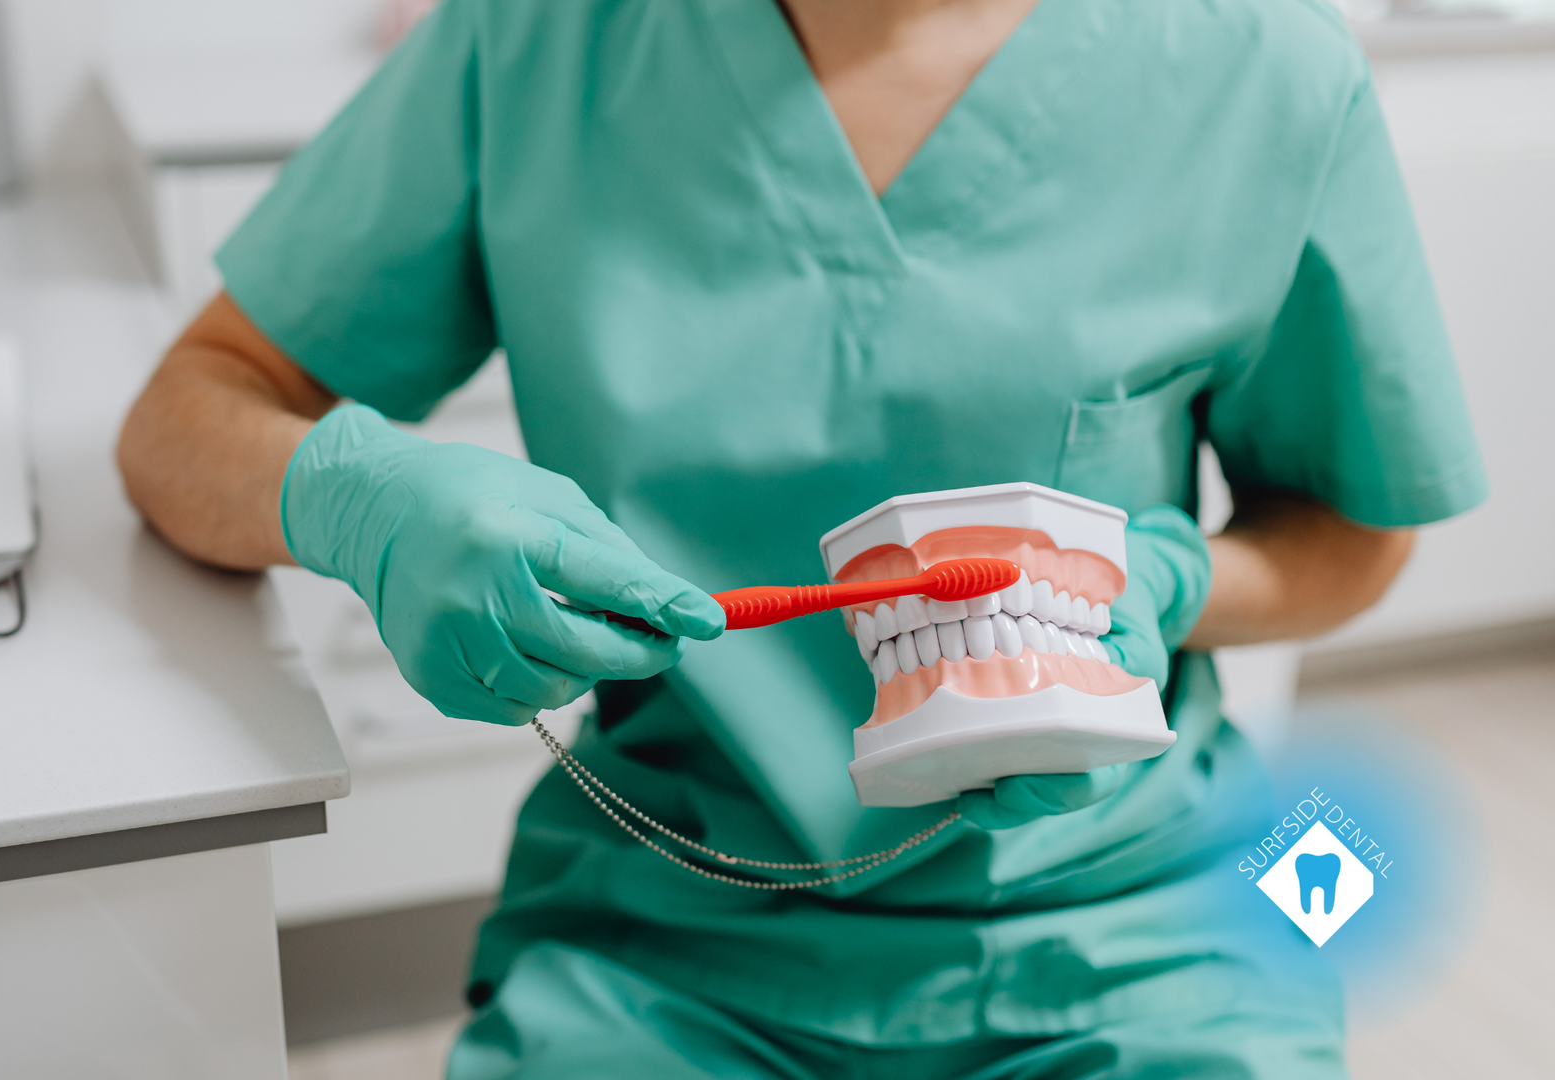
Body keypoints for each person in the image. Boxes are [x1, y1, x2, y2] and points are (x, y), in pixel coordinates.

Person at [118, 0, 1485, 1074]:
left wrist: (1169, 583)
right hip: (673, 932)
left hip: (1143, 925)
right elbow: (185, 418)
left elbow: (1353, 536)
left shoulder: (1261, 64)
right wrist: (361, 504)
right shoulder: (537, 36)